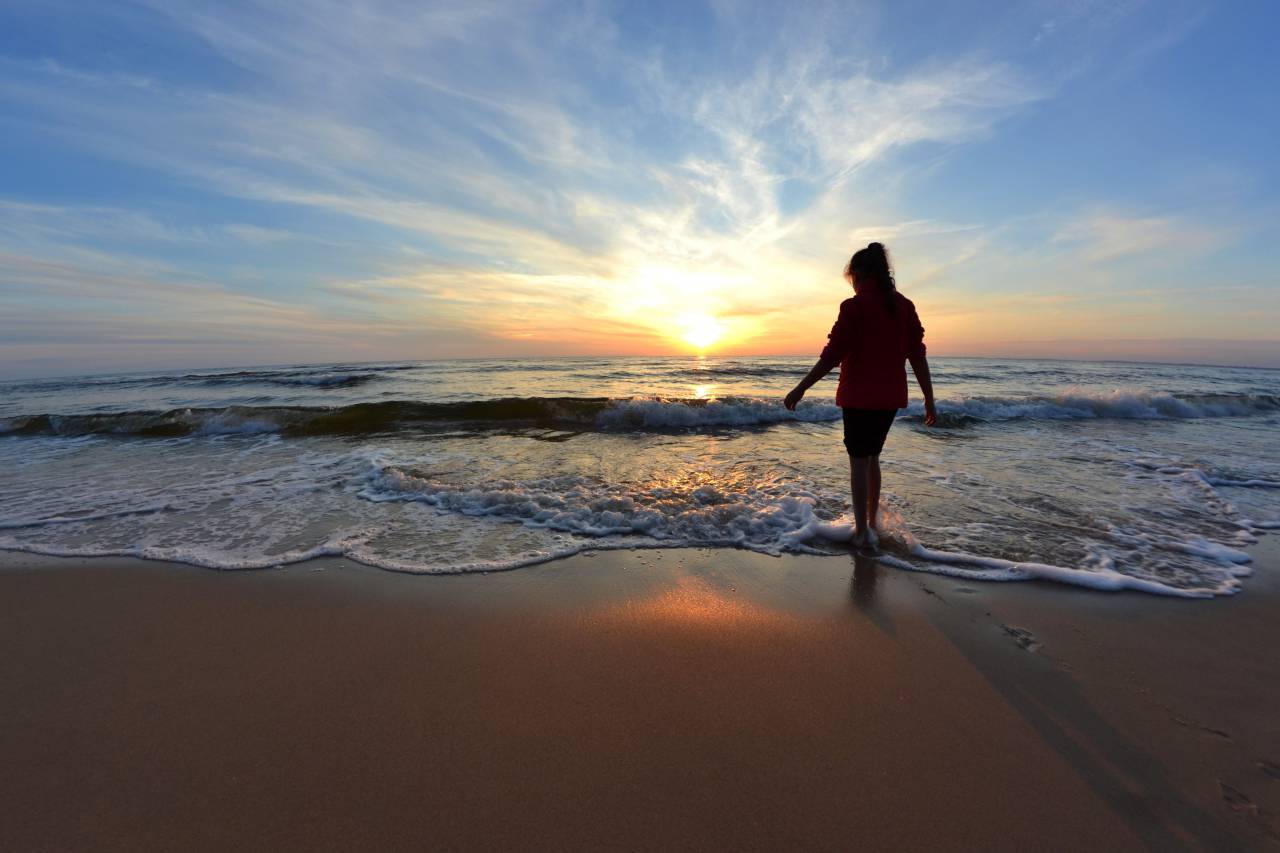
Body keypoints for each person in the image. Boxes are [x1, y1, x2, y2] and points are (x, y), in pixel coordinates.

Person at [784, 242, 936, 550]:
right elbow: (917, 356)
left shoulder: (853, 308)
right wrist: (929, 399)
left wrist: (801, 387)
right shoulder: (904, 306)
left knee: (858, 463)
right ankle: (869, 522)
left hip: (858, 397)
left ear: (859, 274)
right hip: (890, 398)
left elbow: (832, 355)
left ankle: (861, 531)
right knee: (872, 458)